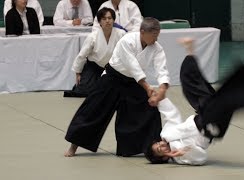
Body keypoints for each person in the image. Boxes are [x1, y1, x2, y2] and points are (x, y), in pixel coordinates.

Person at [144, 38, 244, 165]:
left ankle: (190, 51)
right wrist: (183, 152)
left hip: (202, 113)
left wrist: (160, 100)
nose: (161, 145)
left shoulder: (166, 134)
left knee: (190, 84)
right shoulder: (180, 157)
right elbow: (201, 157)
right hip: (210, 126)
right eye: (160, 150)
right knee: (226, 101)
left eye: (158, 145)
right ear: (163, 157)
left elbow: (172, 115)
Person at [64, 17, 170, 157]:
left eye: (158, 35)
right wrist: (147, 87)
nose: (156, 39)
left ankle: (153, 149)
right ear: (142, 32)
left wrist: (162, 89)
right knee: (93, 110)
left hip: (133, 83)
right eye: (154, 35)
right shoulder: (127, 40)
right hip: (112, 78)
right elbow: (133, 66)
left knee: (149, 111)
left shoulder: (157, 48)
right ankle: (73, 146)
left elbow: (161, 69)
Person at [63, 7, 126, 97]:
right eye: (104, 19)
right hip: (94, 68)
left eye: (109, 18)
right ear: (99, 22)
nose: (107, 21)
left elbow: (126, 54)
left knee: (116, 91)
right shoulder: (93, 36)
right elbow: (82, 55)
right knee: (86, 91)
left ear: (114, 20)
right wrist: (78, 73)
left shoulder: (121, 34)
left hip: (113, 69)